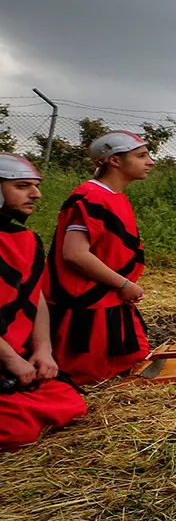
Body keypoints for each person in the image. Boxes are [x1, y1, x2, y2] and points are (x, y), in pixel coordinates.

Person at [51, 131, 155, 385]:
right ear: (114, 161)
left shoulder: (113, 196)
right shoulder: (91, 196)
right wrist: (124, 284)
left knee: (133, 367)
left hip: (109, 301)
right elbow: (74, 254)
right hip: (87, 307)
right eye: (141, 156)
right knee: (91, 378)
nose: (150, 162)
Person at [0, 155, 87, 451]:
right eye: (22, 186)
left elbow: (33, 296)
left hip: (15, 359)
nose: (36, 194)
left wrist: (43, 350)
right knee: (17, 429)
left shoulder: (24, 239)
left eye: (34, 186)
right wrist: (10, 359)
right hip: (5, 357)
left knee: (69, 403)